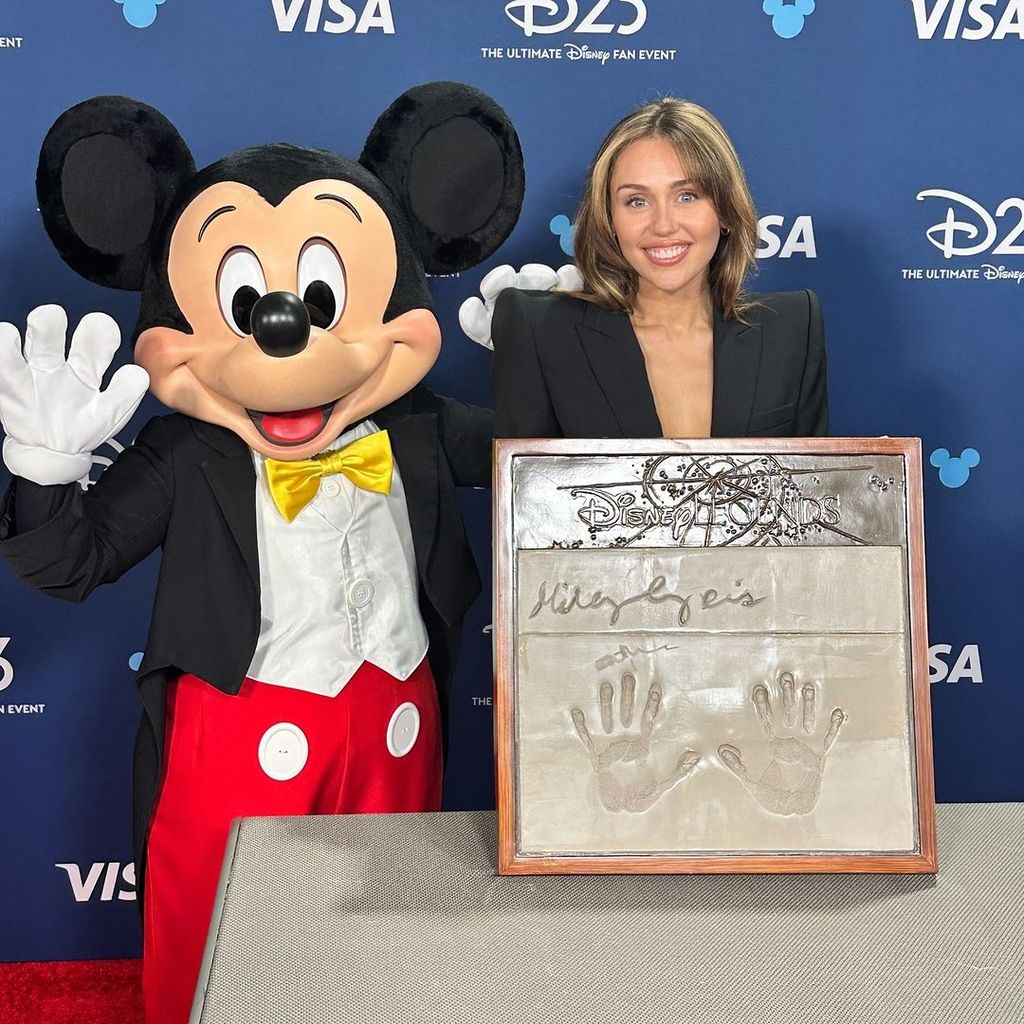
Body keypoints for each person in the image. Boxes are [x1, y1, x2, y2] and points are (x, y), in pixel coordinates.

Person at [487, 98, 827, 440]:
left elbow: (813, 486)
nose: (663, 226)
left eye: (687, 196)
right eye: (637, 201)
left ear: (724, 210)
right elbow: (522, 486)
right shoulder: (542, 332)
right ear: (609, 218)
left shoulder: (793, 328)